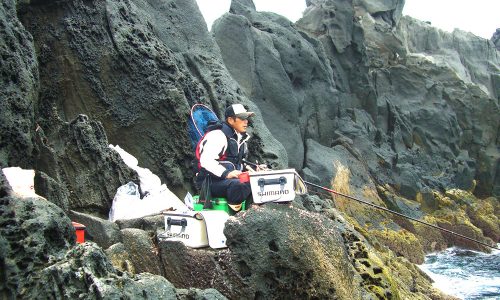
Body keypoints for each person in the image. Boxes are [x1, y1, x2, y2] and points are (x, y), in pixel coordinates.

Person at [195, 103, 255, 211]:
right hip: (209, 182)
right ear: (231, 120)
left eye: (247, 118)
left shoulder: (241, 140)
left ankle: (250, 211)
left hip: (227, 181)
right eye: (242, 118)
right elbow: (206, 161)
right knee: (240, 186)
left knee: (257, 181)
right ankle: (235, 215)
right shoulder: (217, 135)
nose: (246, 121)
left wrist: (255, 169)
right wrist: (227, 173)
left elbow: (240, 163)